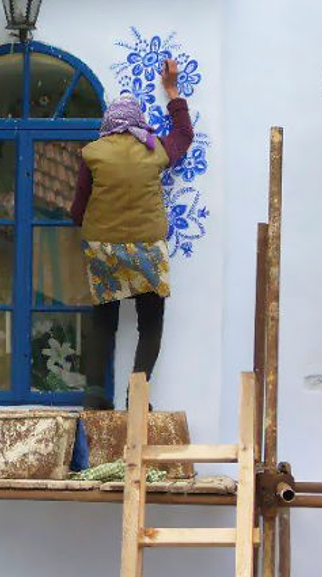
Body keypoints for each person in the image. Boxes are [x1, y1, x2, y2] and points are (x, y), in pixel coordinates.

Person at [69, 59, 194, 410]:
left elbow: (78, 209)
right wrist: (172, 91)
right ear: (138, 121)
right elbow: (184, 135)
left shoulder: (92, 153)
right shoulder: (154, 148)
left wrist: (93, 226)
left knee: (103, 323)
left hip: (104, 248)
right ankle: (137, 396)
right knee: (150, 323)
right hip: (148, 248)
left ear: (108, 123)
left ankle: (96, 396)